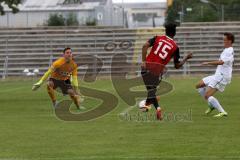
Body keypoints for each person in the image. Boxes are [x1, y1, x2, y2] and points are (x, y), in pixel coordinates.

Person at [141, 23, 192, 120]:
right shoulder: (175, 47)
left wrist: (143, 61)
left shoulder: (157, 38)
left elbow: (145, 46)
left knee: (151, 90)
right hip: (158, 71)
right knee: (151, 90)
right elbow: (177, 66)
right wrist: (186, 58)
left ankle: (154, 106)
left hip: (147, 67)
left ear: (165, 31)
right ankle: (152, 104)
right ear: (175, 33)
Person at [196, 32, 235, 117]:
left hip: (222, 77)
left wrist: (207, 63)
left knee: (207, 95)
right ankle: (211, 105)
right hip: (218, 75)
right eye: (223, 39)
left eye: (225, 40)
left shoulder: (229, 51)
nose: (223, 41)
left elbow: (221, 62)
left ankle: (222, 111)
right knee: (199, 85)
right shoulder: (226, 50)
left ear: (230, 41)